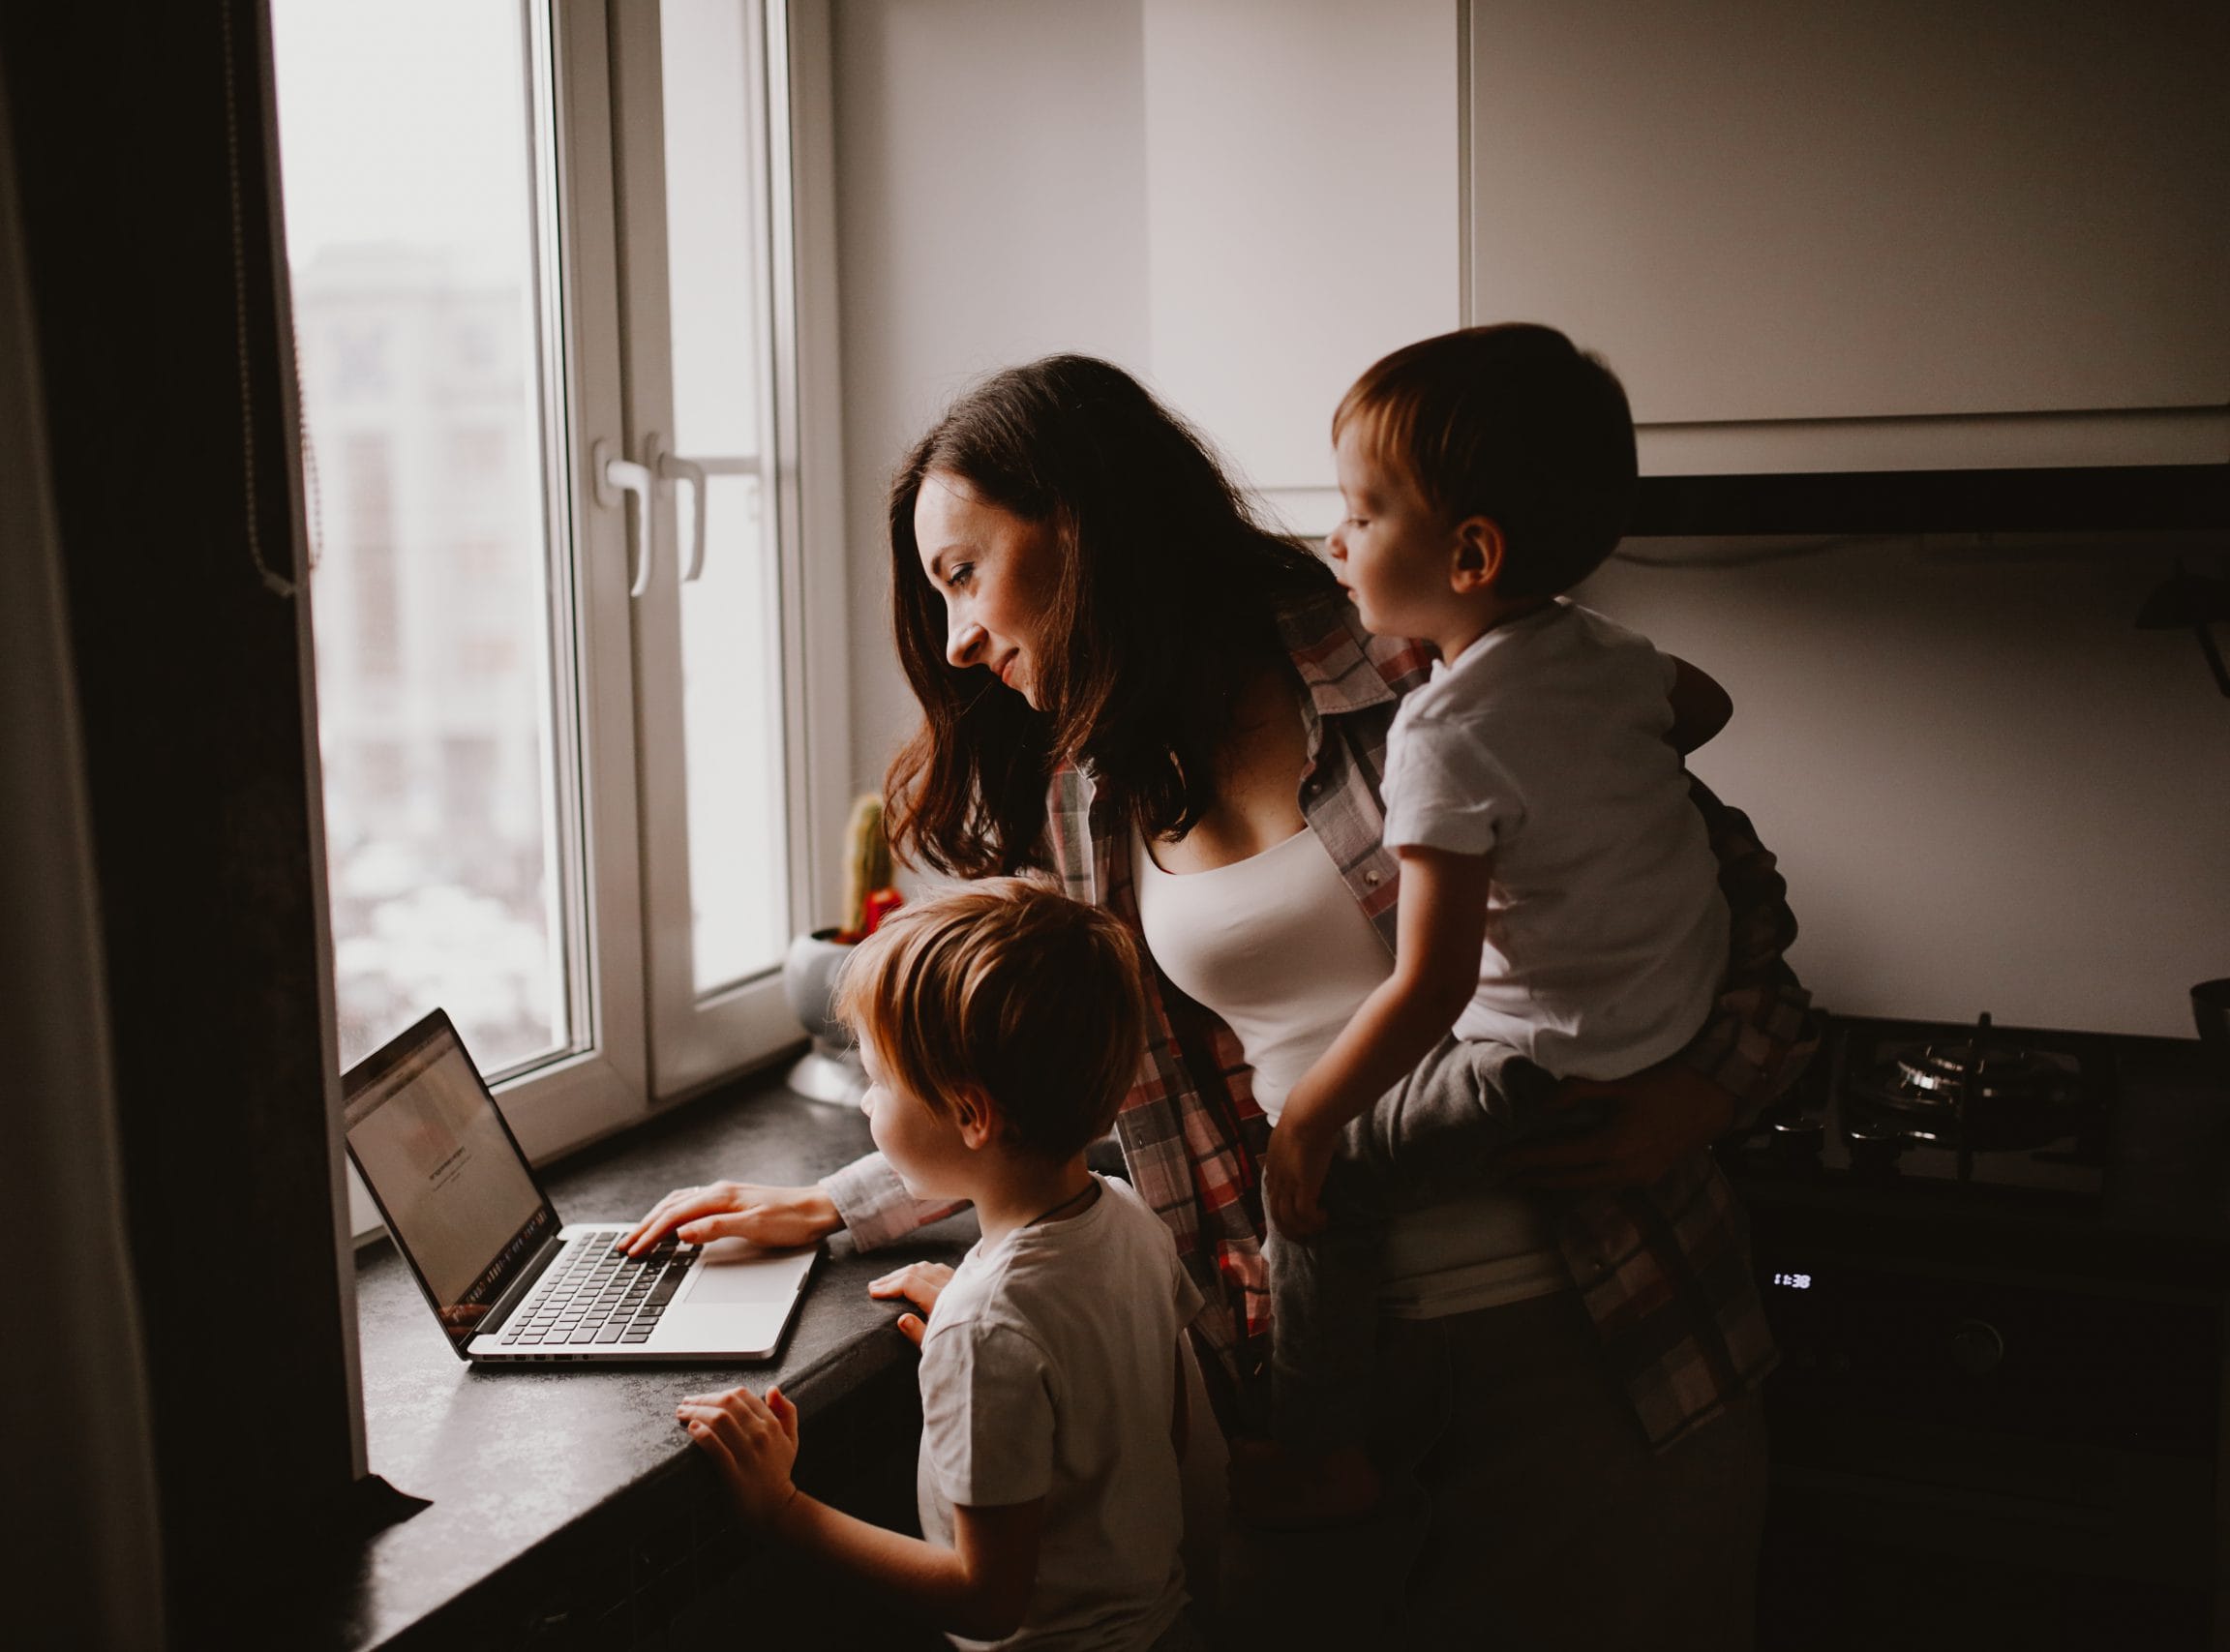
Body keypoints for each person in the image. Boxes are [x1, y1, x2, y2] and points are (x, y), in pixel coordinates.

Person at [629, 349, 1817, 1645]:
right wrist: (844, 1203)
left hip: (1596, 1341)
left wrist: (1698, 1096)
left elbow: (1745, 914)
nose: (959, 636)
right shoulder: (1092, 787)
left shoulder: (1435, 664)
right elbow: (1040, 1065)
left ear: (1079, 522)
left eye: (964, 570)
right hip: (1314, 1383)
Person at [1250, 324, 1738, 1524]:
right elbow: (1708, 704)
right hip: (1668, 1015)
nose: (1334, 541)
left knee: (1325, 1194)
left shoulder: (1443, 731)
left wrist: (1306, 1120)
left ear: (1467, 555)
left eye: (1361, 514)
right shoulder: (1608, 654)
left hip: (1545, 1060)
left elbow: (1430, 985)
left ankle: (1316, 1446)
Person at [677, 880, 1205, 1652]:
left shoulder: (985, 1329)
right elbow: (1155, 1434)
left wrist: (779, 1508)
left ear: (970, 1114)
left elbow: (986, 1599)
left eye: (880, 1081)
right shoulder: (1126, 1215)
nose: (865, 1104)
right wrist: (1006, 1363)